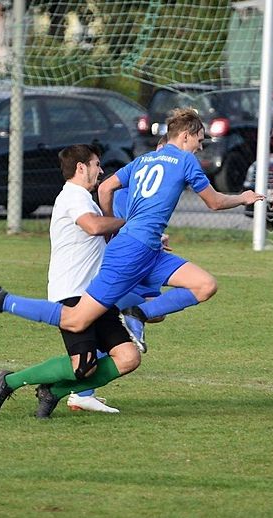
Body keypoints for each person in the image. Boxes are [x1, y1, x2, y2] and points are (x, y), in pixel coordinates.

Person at [0, 108, 264, 352]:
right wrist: (243, 197)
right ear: (185, 136)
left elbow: (107, 186)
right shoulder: (186, 159)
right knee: (75, 320)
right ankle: (2, 301)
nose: (200, 146)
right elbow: (213, 202)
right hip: (133, 250)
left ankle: (137, 314)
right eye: (199, 140)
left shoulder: (144, 159)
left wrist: (115, 223)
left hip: (148, 249)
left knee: (204, 285)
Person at [0, 144, 141, 419]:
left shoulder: (85, 199)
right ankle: (8, 381)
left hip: (97, 294)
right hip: (73, 291)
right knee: (84, 366)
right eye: (96, 164)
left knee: (128, 357)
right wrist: (127, 221)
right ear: (81, 167)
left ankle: (53, 392)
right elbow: (93, 227)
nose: (101, 170)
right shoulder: (72, 197)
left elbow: (105, 237)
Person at [68, 136, 170, 413]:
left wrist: (154, 238)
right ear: (160, 149)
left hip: (133, 261)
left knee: (153, 311)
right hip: (116, 265)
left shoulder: (160, 181)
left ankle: (82, 392)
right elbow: (112, 223)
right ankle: (79, 392)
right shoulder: (136, 181)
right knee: (133, 312)